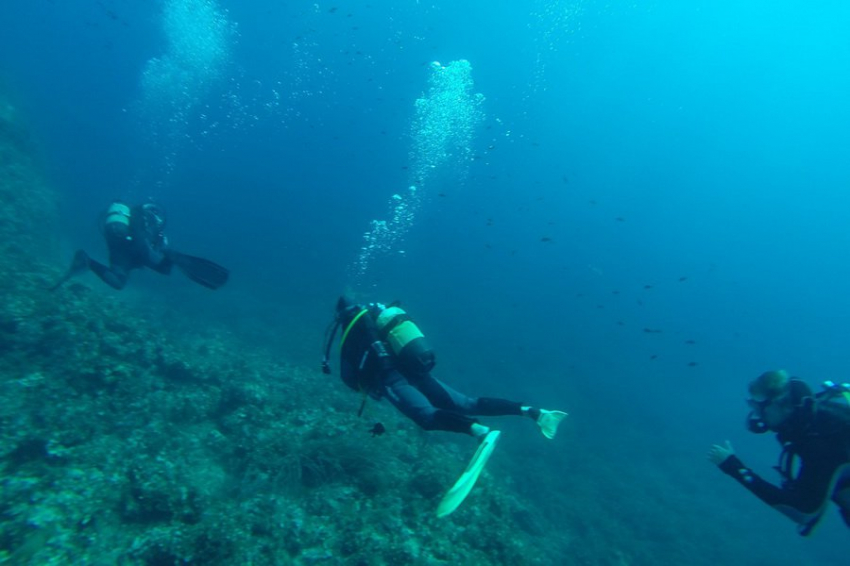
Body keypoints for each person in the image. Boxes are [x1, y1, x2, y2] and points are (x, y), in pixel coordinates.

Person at [322, 295, 568, 516]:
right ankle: (533, 413)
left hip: (391, 379)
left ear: (340, 314)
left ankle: (480, 432)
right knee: (467, 403)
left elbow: (349, 377)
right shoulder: (377, 316)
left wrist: (371, 385)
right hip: (416, 370)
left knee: (426, 417)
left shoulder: (351, 331)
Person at [708, 370, 850, 536]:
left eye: (759, 406)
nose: (756, 415)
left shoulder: (823, 442)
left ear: (781, 404)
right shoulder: (814, 422)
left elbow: (804, 512)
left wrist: (734, 467)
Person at [52, 201, 229, 291]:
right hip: (134, 245)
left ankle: (88, 261)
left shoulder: (132, 216)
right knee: (164, 267)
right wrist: (165, 253)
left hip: (118, 244)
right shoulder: (146, 218)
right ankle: (174, 256)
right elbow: (151, 244)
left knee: (119, 282)